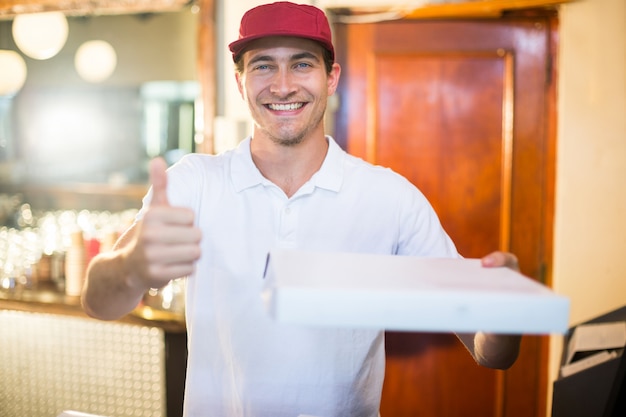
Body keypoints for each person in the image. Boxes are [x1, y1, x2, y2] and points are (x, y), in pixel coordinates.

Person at [81, 2, 522, 416]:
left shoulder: (389, 196)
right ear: (240, 82)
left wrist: (504, 319)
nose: (283, 84)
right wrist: (132, 267)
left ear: (331, 78)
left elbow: (489, 351)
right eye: (263, 65)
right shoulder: (194, 182)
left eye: (302, 63)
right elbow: (99, 302)